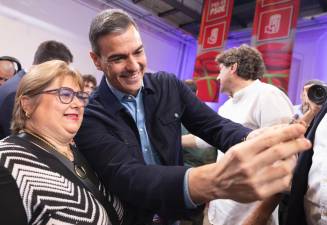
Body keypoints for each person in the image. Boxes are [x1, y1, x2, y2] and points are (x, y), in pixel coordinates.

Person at [74, 8, 311, 225]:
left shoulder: (168, 86)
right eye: (118, 58)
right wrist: (213, 180)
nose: (134, 66)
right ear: (96, 60)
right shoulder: (92, 115)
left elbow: (214, 126)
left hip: (177, 216)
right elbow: (129, 176)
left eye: (138, 52)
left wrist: (252, 139)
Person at [0, 60, 125, 225]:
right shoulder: (7, 162)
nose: (77, 104)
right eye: (65, 94)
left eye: (80, 96)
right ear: (27, 104)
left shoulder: (82, 151)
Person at [182, 44, 293, 225]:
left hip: (248, 215)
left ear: (232, 67)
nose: (217, 77)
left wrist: (259, 216)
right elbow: (206, 140)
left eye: (220, 70)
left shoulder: (268, 96)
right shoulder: (227, 106)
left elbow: (283, 164)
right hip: (219, 211)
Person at [0, 40, 73, 139]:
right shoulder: (16, 92)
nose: (62, 76)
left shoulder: (24, 85)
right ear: (48, 65)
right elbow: (14, 140)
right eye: (61, 70)